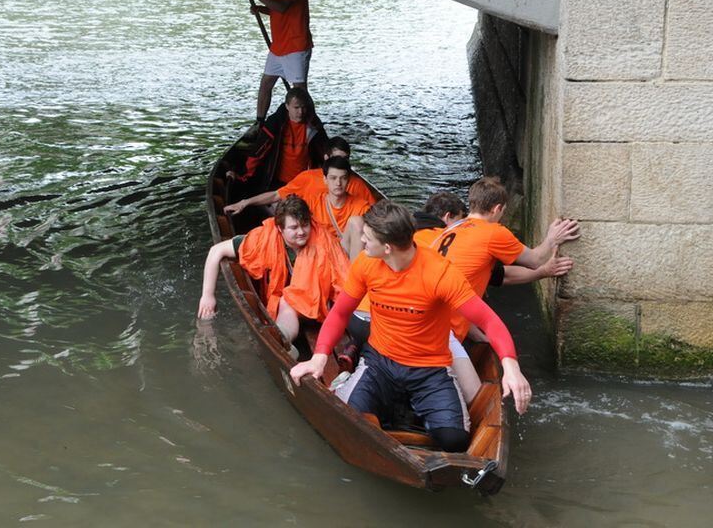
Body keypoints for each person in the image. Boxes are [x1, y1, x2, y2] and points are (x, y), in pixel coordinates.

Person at [290, 200, 532, 452]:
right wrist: (318, 358)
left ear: (387, 247)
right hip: (380, 363)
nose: (361, 241)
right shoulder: (366, 263)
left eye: (367, 237)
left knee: (455, 439)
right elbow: (340, 313)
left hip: (429, 368)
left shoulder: (440, 273)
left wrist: (511, 367)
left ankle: (410, 404)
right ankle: (367, 391)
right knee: (348, 422)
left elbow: (489, 321)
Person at [411, 180, 578, 402]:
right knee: (477, 399)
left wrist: (543, 273)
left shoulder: (450, 229)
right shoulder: (493, 232)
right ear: (498, 209)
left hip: (420, 316)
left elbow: (497, 275)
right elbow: (536, 259)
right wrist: (551, 239)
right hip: (443, 330)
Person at [199, 195, 349, 352]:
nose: (301, 232)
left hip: (322, 304)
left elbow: (343, 277)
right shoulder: (265, 237)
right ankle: (281, 339)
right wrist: (208, 295)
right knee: (288, 301)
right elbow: (216, 250)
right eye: (294, 227)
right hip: (291, 304)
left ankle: (279, 338)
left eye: (305, 225)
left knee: (288, 301)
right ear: (280, 229)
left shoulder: (324, 241)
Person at [225, 155, 371, 258]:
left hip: (347, 255)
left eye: (343, 178)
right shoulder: (312, 199)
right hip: (319, 255)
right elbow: (277, 196)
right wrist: (245, 203)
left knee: (357, 223)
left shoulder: (361, 206)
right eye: (333, 178)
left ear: (349, 180)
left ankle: (353, 287)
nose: (338, 183)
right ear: (325, 179)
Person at [242, 0, 313, 126]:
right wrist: (260, 9)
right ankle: (259, 123)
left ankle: (310, 126)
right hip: (279, 46)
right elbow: (277, 8)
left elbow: (282, 6)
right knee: (266, 84)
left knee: (300, 91)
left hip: (296, 45)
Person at [228, 86, 327, 190]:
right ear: (287, 106)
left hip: (305, 182)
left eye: (304, 107)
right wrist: (243, 176)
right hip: (277, 183)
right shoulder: (274, 124)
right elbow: (258, 152)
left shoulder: (314, 125)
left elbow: (325, 152)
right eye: (296, 108)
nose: (301, 112)